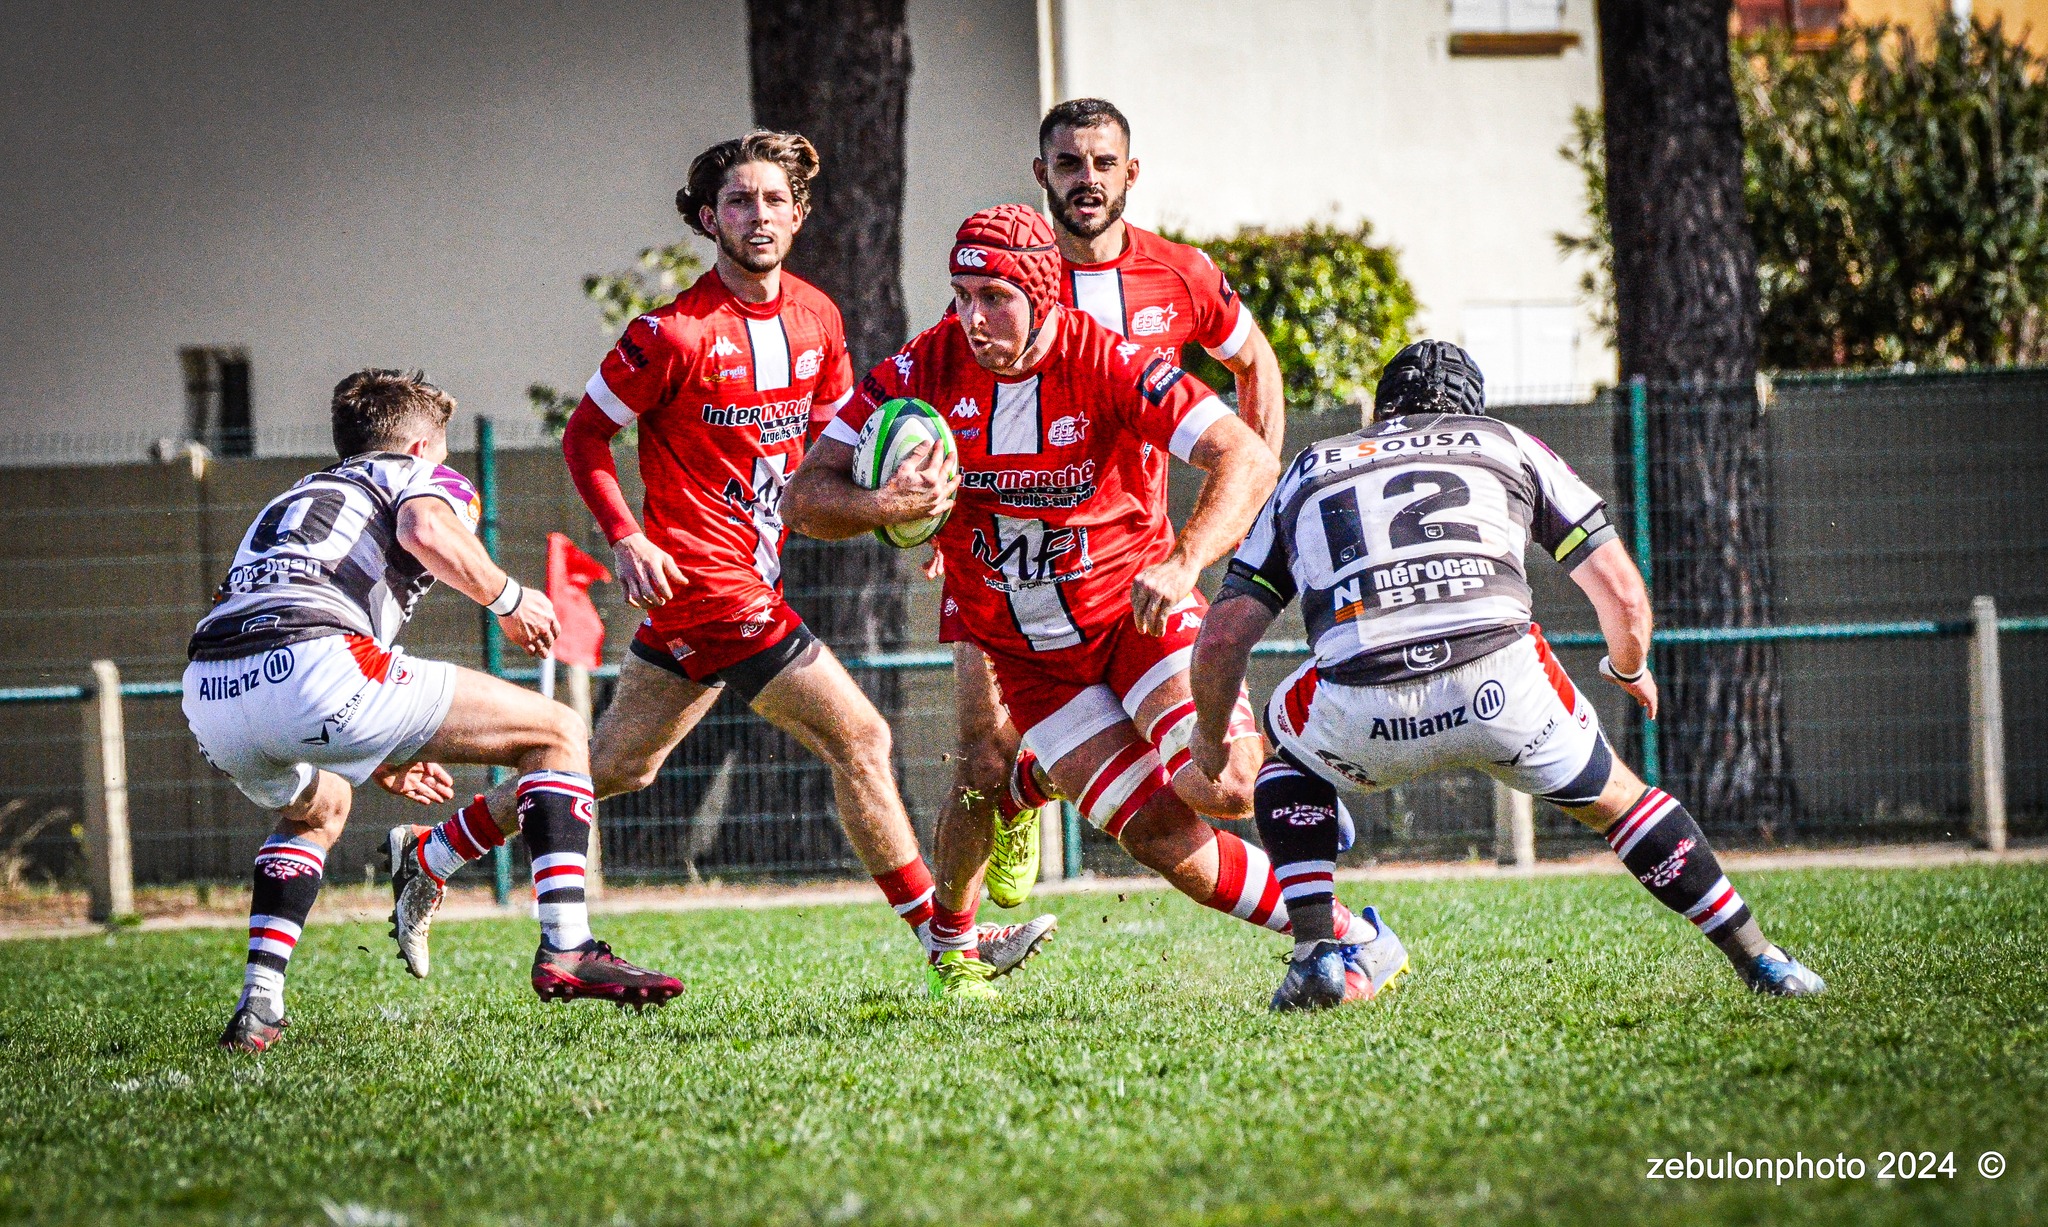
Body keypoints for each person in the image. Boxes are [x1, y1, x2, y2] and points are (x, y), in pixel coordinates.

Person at [384, 132, 1051, 995]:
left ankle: (434, 850)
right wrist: (626, 534)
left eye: (774, 200)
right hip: (705, 582)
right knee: (863, 736)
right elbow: (586, 435)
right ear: (709, 219)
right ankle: (946, 943)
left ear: (800, 214)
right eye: (738, 201)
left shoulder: (819, 318)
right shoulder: (671, 333)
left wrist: (917, 520)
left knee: (619, 766)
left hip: (740, 581)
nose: (758, 215)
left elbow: (832, 455)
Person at [783, 204, 1379, 1000]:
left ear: (1039, 293)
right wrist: (890, 506)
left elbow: (1244, 454)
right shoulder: (920, 368)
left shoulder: (1107, 360)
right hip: (1029, 660)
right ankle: (1352, 935)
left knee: (1229, 785)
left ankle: (1066, 787)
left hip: (1135, 619)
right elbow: (804, 497)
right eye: (961, 294)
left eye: (994, 295)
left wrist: (1184, 559)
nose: (972, 317)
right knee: (1173, 847)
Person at [1189, 340, 1828, 1010]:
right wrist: (1627, 666)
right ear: (1471, 409)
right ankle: (1762, 959)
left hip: (1361, 701)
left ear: (1382, 408)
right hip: (1501, 684)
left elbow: (1226, 635)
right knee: (1625, 801)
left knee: (1287, 763)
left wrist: (1210, 738)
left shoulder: (1314, 467)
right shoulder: (1506, 443)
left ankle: (1316, 952)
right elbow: (1626, 598)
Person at [184, 369, 683, 1053]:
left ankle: (259, 1003)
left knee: (319, 805)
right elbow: (423, 526)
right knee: (559, 730)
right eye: (443, 453)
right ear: (421, 446)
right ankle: (568, 945)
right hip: (315, 662)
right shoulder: (416, 475)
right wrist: (508, 598)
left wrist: (377, 749)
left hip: (212, 692)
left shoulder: (299, 492)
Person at [946, 98, 1287, 916]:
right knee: (982, 754)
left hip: (1124, 556)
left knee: (1216, 781)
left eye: (1103, 163)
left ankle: (1045, 773)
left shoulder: (1180, 274)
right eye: (1069, 164)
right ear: (1043, 177)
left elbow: (1255, 363)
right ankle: (954, 939)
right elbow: (954, 398)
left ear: (1131, 173)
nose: (1087, 180)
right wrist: (930, 509)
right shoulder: (1005, 280)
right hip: (1003, 558)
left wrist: (1256, 490)